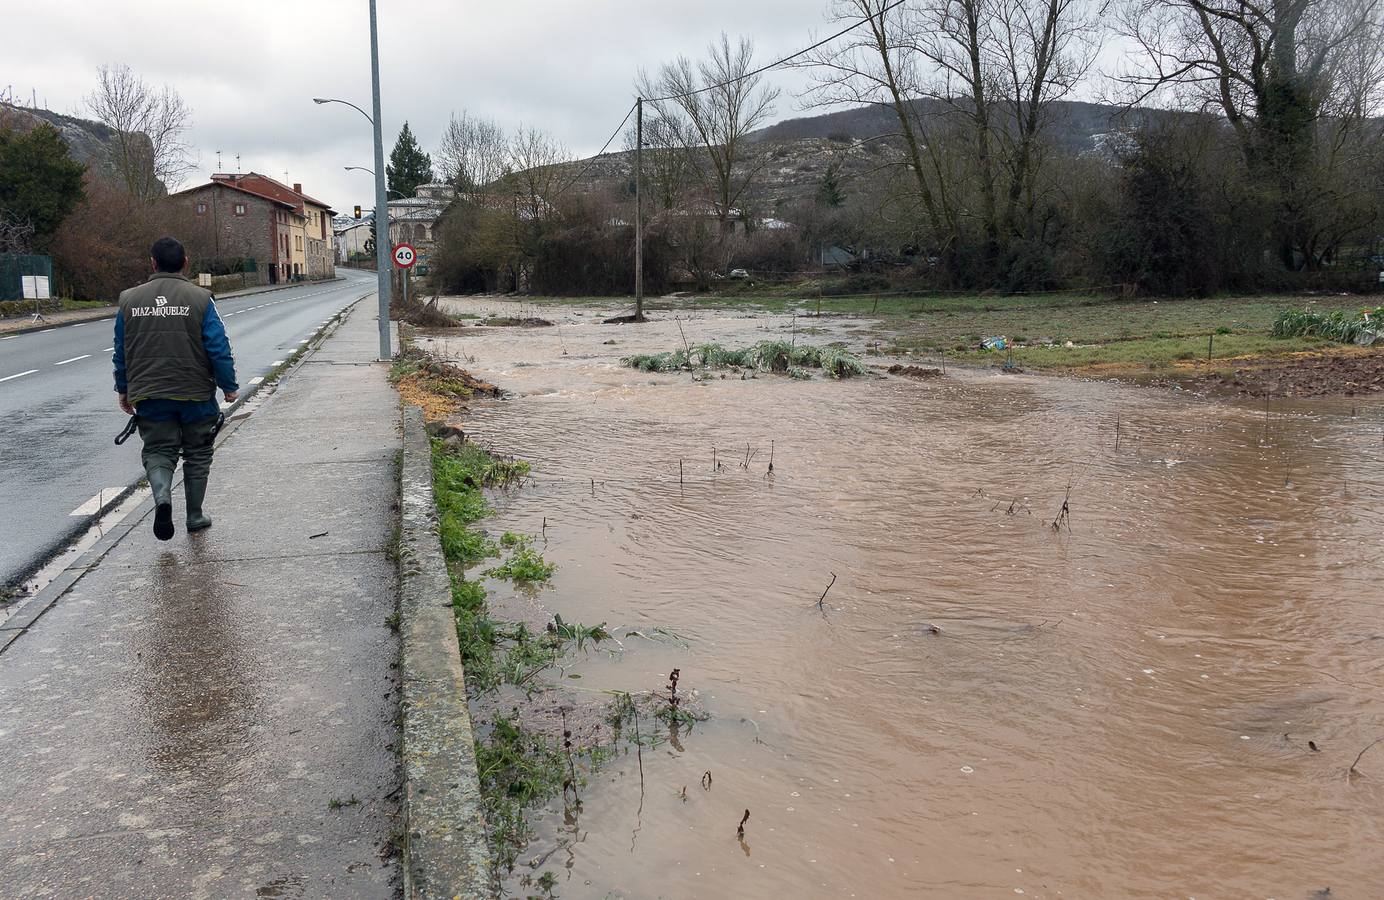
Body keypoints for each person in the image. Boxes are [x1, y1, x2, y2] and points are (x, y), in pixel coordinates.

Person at [112, 237, 239, 541]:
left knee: (158, 450)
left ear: (152, 263)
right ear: (185, 263)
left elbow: (121, 350)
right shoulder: (201, 298)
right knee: (197, 453)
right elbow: (218, 346)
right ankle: (194, 516)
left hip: (150, 394)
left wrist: (124, 388)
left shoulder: (128, 300)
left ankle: (162, 499)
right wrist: (228, 386)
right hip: (195, 393)